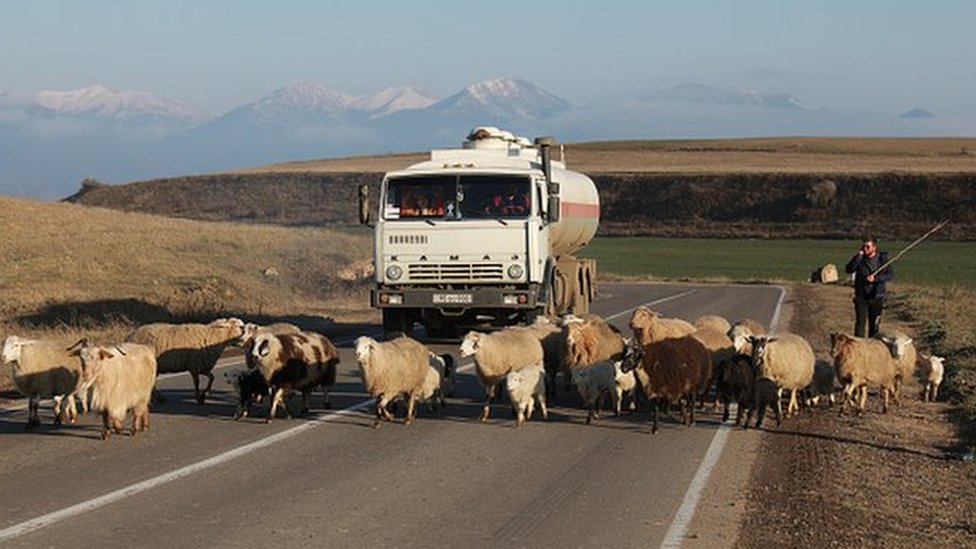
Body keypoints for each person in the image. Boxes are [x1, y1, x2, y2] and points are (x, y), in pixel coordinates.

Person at [844, 236, 893, 338]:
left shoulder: (882, 260)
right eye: (863, 247)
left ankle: (873, 345)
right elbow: (849, 269)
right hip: (861, 296)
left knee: (874, 325)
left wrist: (875, 279)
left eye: (868, 247)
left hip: (876, 297)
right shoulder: (859, 259)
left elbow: (890, 275)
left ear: (874, 248)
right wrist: (858, 257)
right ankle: (858, 345)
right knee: (860, 324)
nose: (865, 249)